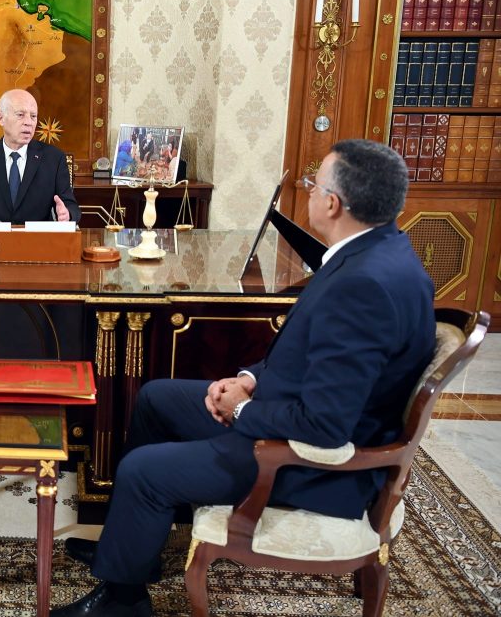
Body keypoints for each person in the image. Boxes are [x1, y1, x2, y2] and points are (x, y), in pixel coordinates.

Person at [50, 139, 436, 617]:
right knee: (156, 398)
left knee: (143, 471)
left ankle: (123, 600)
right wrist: (249, 380)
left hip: (309, 464)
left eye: (314, 185)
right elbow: (307, 359)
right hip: (285, 413)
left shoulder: (365, 285)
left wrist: (242, 410)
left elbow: (325, 426)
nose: (309, 192)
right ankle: (132, 547)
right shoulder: (378, 252)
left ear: (334, 204)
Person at [0, 89, 80, 223]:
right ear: (1, 118)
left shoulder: (54, 158)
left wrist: (67, 214)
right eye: (20, 115)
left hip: (36, 236)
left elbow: (71, 206)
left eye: (33, 116)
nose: (29, 122)